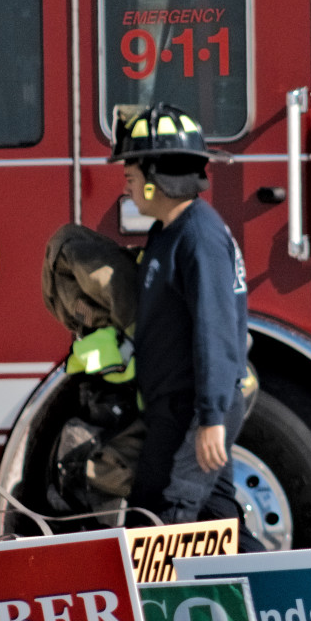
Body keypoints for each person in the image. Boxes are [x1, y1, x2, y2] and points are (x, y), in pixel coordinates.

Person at [111, 104, 252, 529]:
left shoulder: (199, 238)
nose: (128, 191)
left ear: (156, 181)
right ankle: (273, 591)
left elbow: (217, 333)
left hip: (193, 410)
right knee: (216, 521)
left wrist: (209, 419)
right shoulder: (167, 235)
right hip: (176, 407)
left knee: (160, 519)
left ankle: (151, 596)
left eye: (131, 180)